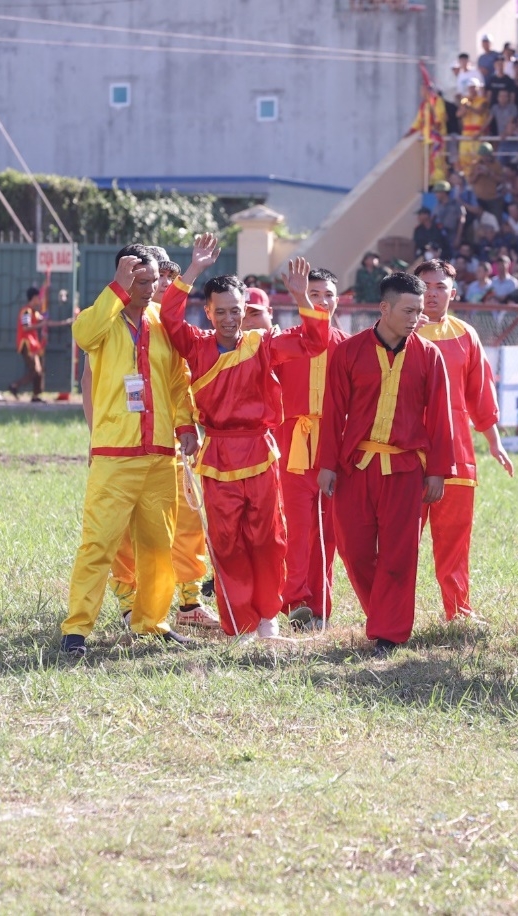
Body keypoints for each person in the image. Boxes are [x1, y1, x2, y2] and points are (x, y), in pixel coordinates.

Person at [159, 238, 329, 639]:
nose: (230, 319)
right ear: (209, 312)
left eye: (236, 311)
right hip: (217, 453)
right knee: (226, 541)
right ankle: (239, 623)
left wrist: (304, 298)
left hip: (259, 452)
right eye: (222, 312)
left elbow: (313, 341)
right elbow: (168, 318)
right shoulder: (197, 345)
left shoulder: (262, 343)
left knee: (268, 538)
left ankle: (268, 617)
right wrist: (193, 270)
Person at [61, 246, 198, 655]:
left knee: (159, 547)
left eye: (153, 281)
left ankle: (150, 622)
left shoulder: (162, 322)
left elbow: (178, 378)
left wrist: (186, 422)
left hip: (159, 454)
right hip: (114, 455)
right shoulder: (99, 317)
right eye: (140, 281)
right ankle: (76, 630)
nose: (149, 288)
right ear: (123, 279)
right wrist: (116, 290)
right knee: (97, 544)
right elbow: (84, 336)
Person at [318, 273, 454, 656]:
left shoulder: (430, 355)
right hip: (354, 467)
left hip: (407, 470)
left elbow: (441, 419)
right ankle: (383, 614)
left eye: (419, 310)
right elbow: (332, 412)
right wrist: (327, 463)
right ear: (384, 308)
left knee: (399, 553)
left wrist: (438, 471)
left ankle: (388, 633)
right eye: (408, 310)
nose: (416, 317)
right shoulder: (348, 352)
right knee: (355, 550)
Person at [102, 256, 220, 632]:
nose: (164, 284)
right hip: (123, 444)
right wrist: (95, 436)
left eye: (170, 277)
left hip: (170, 444)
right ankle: (128, 602)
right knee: (123, 530)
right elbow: (93, 383)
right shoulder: (116, 318)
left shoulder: (171, 325)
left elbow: (182, 382)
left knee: (186, 525)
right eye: (158, 278)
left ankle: (189, 601)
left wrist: (187, 426)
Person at [413, 259, 513, 622]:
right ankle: (391, 614)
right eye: (425, 286)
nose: (432, 293)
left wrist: (494, 442)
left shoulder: (466, 335)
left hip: (456, 451)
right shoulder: (394, 332)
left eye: (440, 287)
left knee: (454, 537)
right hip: (405, 451)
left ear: (453, 293)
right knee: (400, 539)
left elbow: (480, 394)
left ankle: (457, 610)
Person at [276, 266, 350, 630]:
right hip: (292, 445)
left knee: (329, 531)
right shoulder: (286, 341)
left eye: (327, 295)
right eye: (313, 294)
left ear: (339, 301)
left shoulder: (349, 345)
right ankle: (294, 602)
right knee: (297, 529)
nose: (321, 302)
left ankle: (320, 605)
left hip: (334, 448)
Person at [10, 283, 62, 399]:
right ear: (33, 298)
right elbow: (25, 327)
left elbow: (46, 322)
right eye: (38, 298)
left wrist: (66, 322)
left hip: (33, 345)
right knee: (36, 371)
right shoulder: (26, 311)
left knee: (37, 371)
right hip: (26, 344)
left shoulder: (34, 312)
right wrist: (40, 325)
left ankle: (35, 395)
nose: (40, 300)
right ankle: (15, 386)